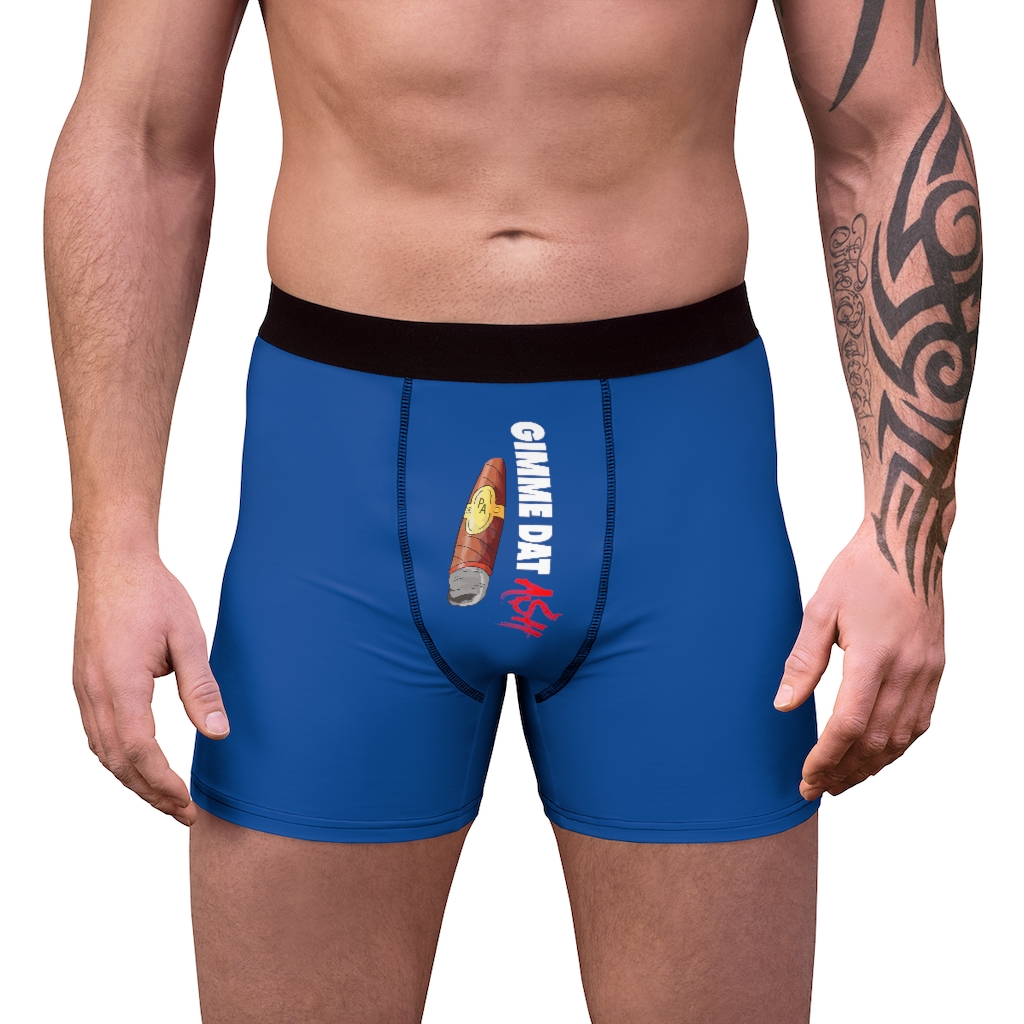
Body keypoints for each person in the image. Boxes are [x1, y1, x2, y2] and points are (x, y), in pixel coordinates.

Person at [43, 1, 979, 1021]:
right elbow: (139, 139)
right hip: (337, 495)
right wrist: (112, 540)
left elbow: (888, 130)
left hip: (681, 490)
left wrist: (907, 538)